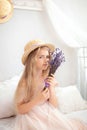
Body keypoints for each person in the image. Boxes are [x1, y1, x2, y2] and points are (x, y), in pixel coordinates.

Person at [13, 40, 87, 130]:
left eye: (47, 57)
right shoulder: (25, 82)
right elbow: (20, 109)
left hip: (47, 113)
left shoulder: (46, 77)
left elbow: (54, 106)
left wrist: (51, 88)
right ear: (31, 60)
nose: (46, 60)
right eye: (41, 57)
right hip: (31, 116)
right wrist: (37, 100)